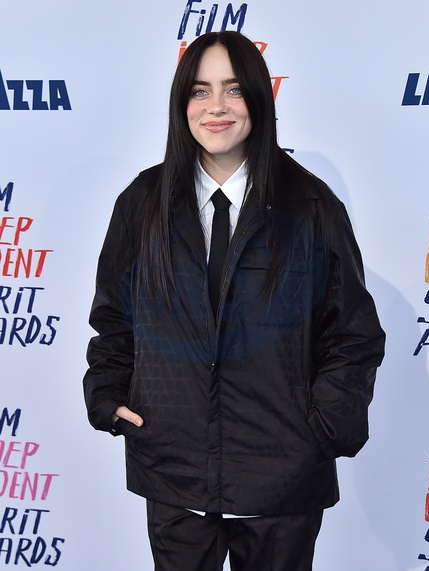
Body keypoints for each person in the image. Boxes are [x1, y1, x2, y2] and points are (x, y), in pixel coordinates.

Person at [83, 31, 385, 571]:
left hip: (281, 477)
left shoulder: (312, 204)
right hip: (174, 470)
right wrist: (108, 396)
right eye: (200, 91)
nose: (216, 107)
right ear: (182, 104)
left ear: (259, 99)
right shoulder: (142, 203)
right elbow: (113, 318)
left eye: (233, 89)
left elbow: (353, 333)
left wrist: (321, 427)